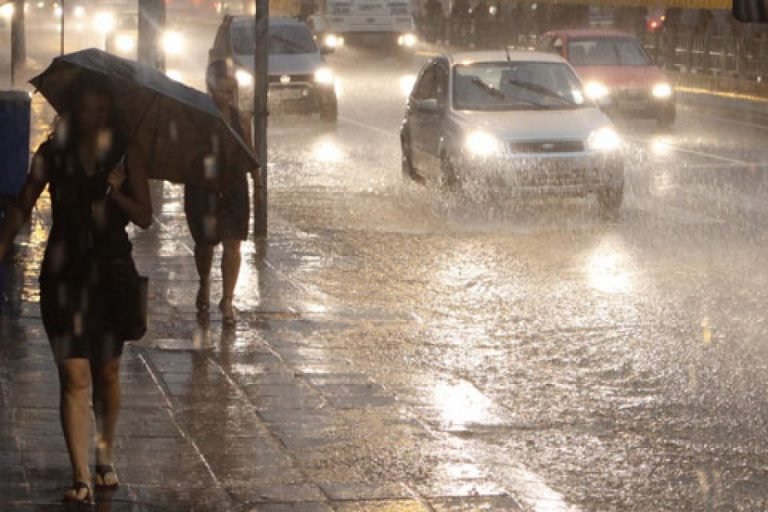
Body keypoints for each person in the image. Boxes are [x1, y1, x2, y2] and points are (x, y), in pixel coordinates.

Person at [0, 77, 153, 504]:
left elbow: (145, 217)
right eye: (86, 108)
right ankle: (81, 474)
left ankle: (104, 455)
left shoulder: (126, 153)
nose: (94, 116)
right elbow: (23, 205)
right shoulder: (52, 153)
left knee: (107, 371)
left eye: (102, 108)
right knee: (74, 374)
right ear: (72, 111)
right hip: (64, 274)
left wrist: (119, 192)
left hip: (111, 274)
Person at [184, 60, 252, 326]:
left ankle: (227, 299)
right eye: (223, 90)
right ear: (210, 87)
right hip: (204, 186)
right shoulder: (197, 116)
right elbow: (187, 151)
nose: (227, 96)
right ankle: (204, 283)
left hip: (234, 185)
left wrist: (258, 185)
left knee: (233, 243)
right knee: (205, 242)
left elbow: (250, 154)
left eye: (231, 91)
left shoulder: (241, 118)